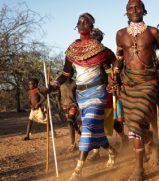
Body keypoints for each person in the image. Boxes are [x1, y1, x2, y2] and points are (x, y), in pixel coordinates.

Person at [51, 13, 118, 180]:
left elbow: (113, 60)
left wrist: (112, 76)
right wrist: (52, 85)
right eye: (79, 22)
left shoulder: (99, 49)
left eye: (86, 22)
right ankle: (111, 151)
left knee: (87, 127)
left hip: (97, 91)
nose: (82, 24)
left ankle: (78, 170)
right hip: (81, 95)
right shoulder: (72, 49)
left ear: (91, 26)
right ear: (77, 26)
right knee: (94, 129)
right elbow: (66, 74)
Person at [113, 0, 159, 180]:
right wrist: (114, 70)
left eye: (138, 7)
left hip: (147, 82)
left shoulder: (153, 32)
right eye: (130, 8)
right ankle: (154, 146)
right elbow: (119, 58)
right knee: (132, 126)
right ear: (126, 12)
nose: (134, 10)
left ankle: (139, 170)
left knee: (136, 122)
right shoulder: (120, 34)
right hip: (128, 83)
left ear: (144, 10)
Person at [87, 28, 128, 160]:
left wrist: (113, 77)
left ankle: (122, 137)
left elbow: (116, 65)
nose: (94, 40)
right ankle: (96, 151)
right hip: (88, 91)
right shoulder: (85, 54)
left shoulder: (106, 53)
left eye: (96, 38)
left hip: (104, 89)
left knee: (106, 120)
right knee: (93, 120)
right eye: (92, 38)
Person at [59, 78, 81, 151]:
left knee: (70, 122)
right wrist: (59, 106)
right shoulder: (61, 83)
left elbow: (79, 93)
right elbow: (59, 94)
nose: (69, 74)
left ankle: (73, 144)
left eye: (71, 72)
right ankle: (83, 136)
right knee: (74, 124)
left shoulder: (75, 83)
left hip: (73, 105)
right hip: (64, 106)